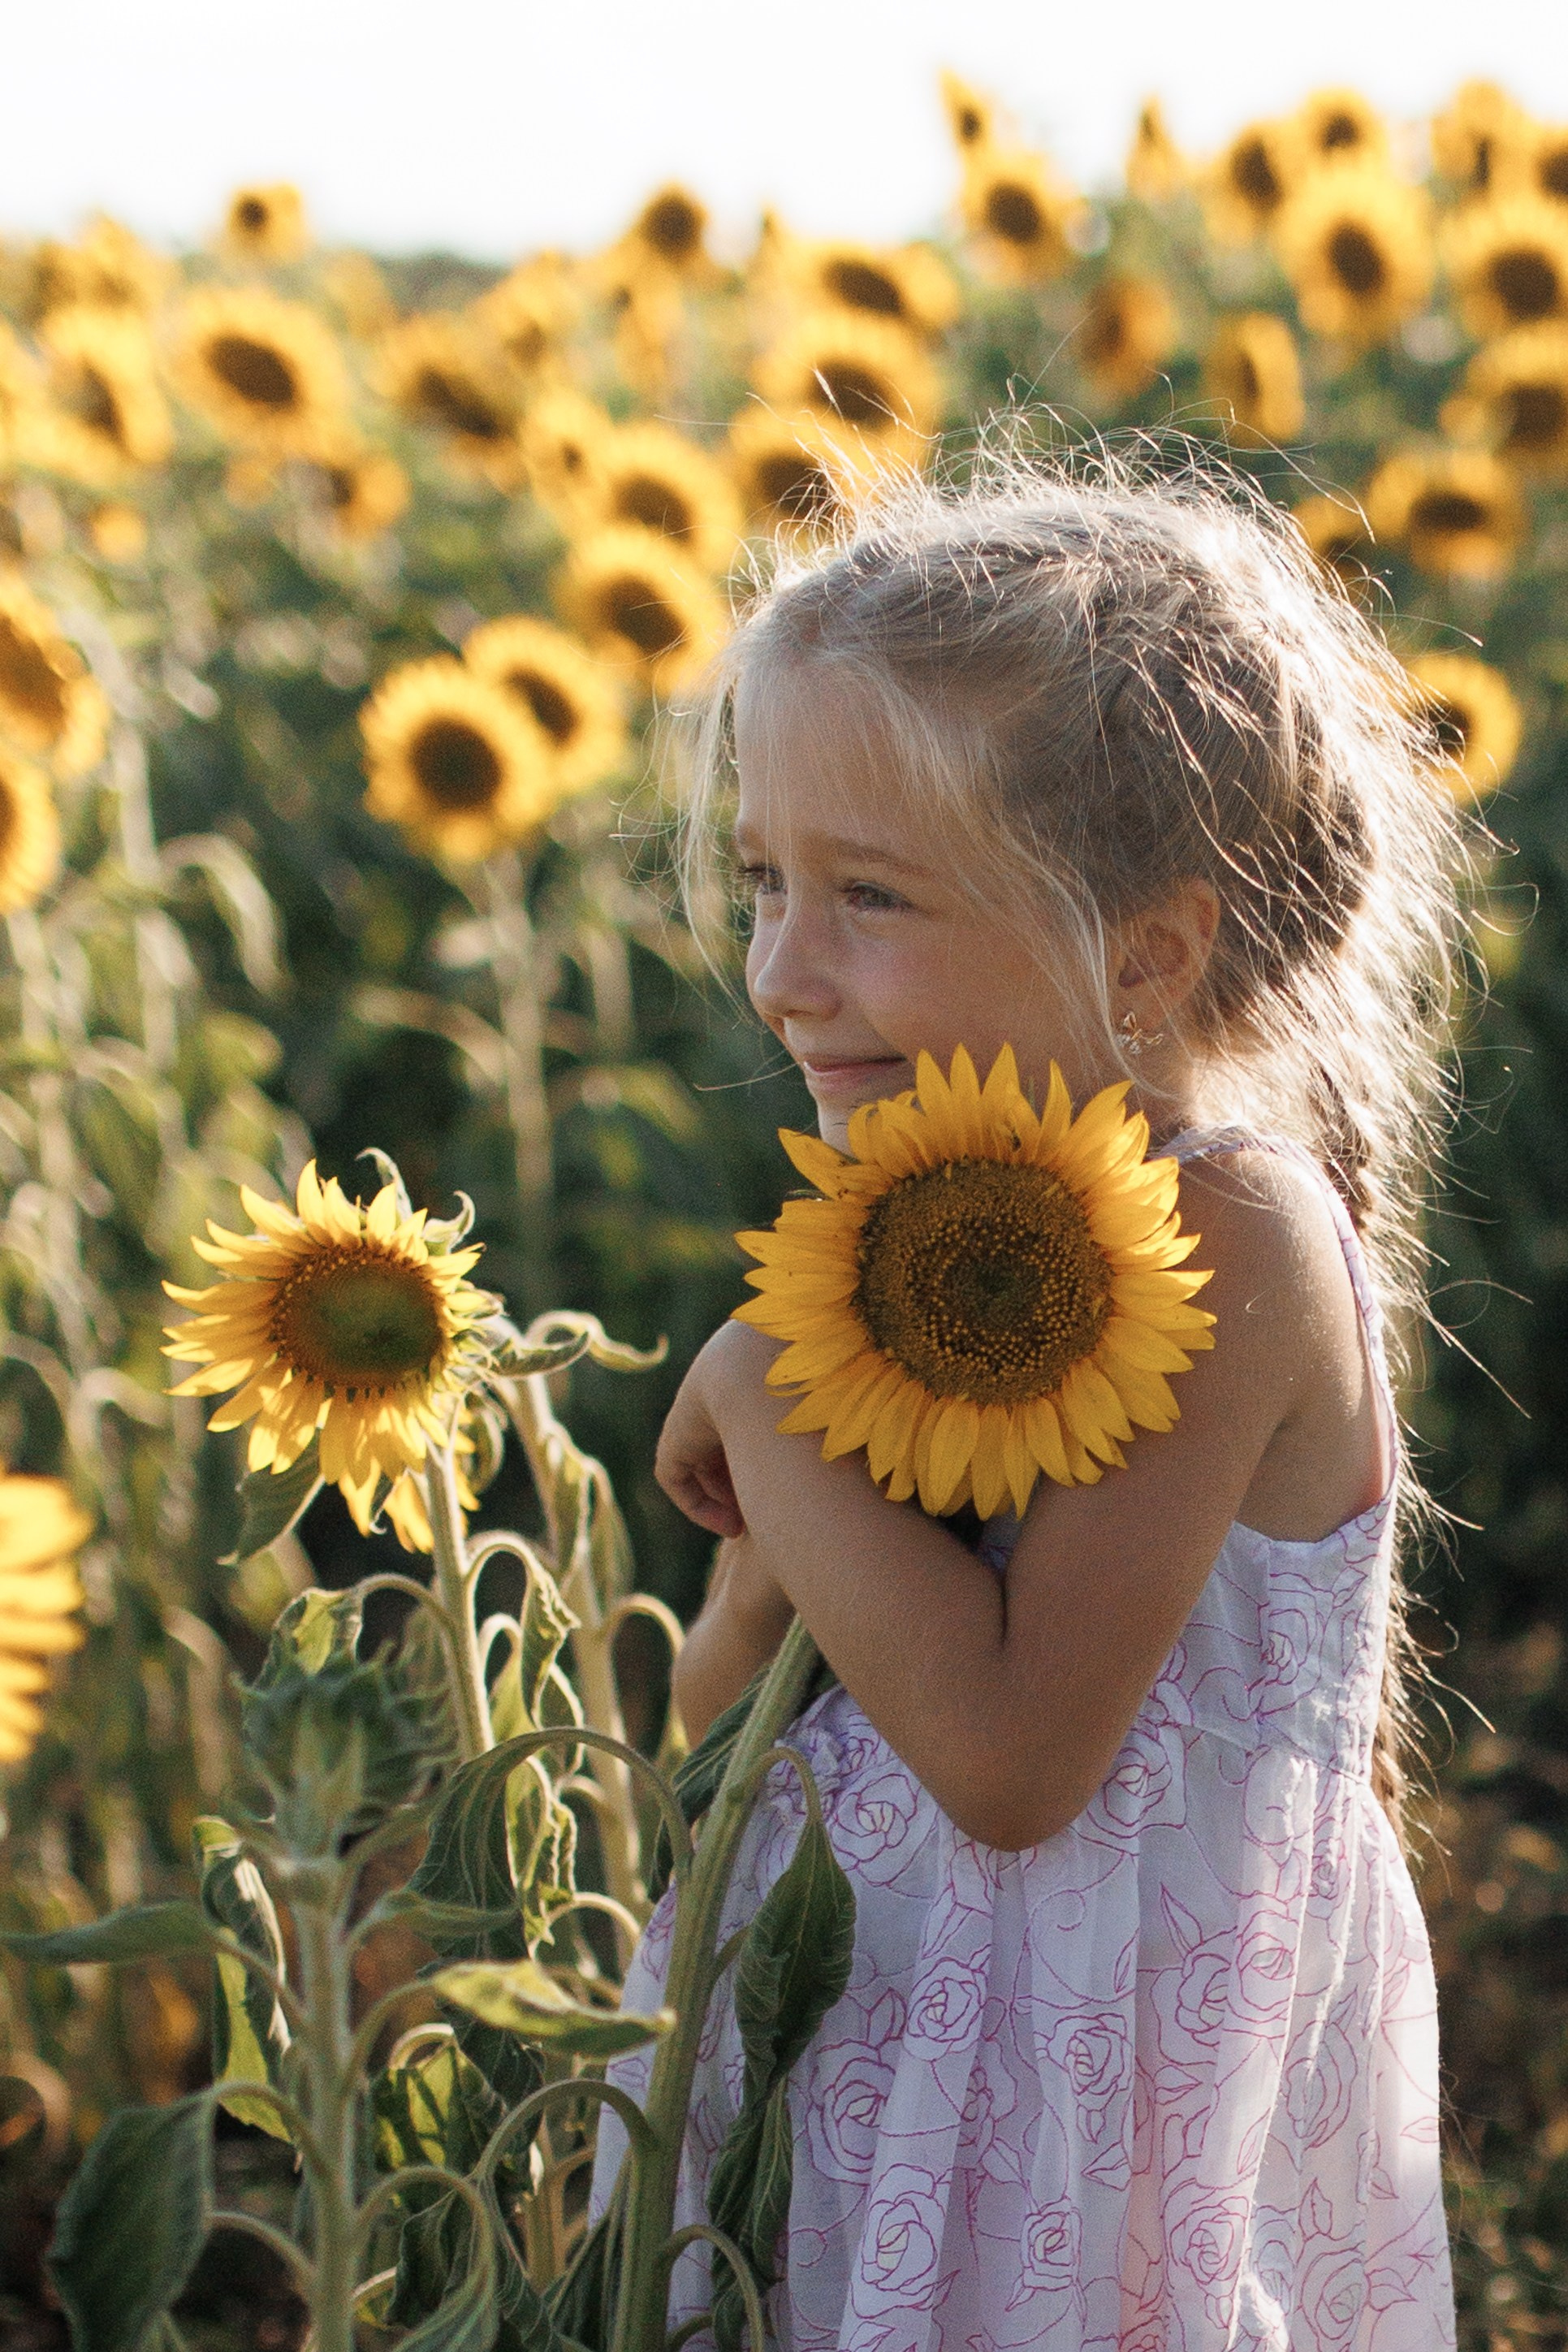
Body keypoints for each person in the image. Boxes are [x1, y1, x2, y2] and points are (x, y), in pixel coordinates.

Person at [594, 447, 1464, 2349]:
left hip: (1091, 2142)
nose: (781, 973)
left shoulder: (1226, 1237)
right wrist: (764, 1564)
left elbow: (1005, 1756)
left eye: (871, 895)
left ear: (1146, 955)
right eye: (764, 881)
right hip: (869, 2065)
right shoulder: (922, 1224)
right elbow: (739, 1751)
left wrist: (755, 1389)